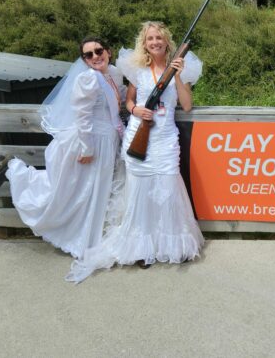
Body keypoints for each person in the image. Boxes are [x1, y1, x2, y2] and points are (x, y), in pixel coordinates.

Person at [66, 21, 204, 283]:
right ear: (145, 43)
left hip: (165, 139)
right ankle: (141, 248)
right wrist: (135, 110)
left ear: (166, 41)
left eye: (159, 38)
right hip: (140, 136)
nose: (155, 42)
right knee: (140, 192)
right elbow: (128, 101)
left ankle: (174, 245)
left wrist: (176, 75)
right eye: (150, 38)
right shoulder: (137, 70)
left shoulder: (180, 70)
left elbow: (186, 106)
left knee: (168, 188)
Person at [0, 37, 126, 259]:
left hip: (109, 140)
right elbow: (82, 116)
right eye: (88, 55)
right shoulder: (88, 79)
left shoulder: (113, 74)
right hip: (89, 141)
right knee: (69, 191)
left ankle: (88, 234)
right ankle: (14, 170)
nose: (95, 57)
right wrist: (87, 148)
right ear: (83, 60)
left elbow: (118, 100)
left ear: (108, 51)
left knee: (90, 190)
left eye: (98, 51)